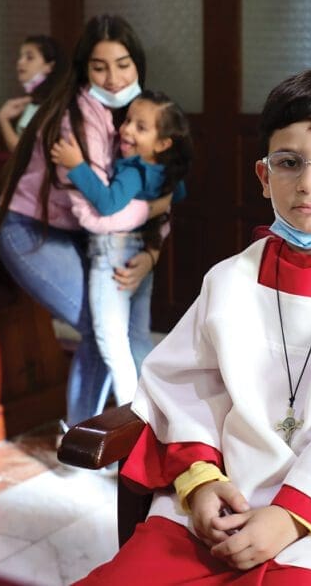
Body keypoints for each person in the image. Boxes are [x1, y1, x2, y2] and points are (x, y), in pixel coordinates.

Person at [79, 69, 311, 585]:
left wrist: (289, 516)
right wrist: (201, 481)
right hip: (215, 507)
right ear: (263, 175)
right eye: (289, 163)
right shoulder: (230, 280)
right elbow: (184, 388)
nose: (309, 183)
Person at [0, 15, 170, 427]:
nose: (112, 78)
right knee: (98, 323)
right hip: (29, 228)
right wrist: (153, 211)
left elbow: (161, 184)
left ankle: (134, 431)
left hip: (94, 236)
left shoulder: (142, 113)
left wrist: (153, 251)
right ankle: (81, 437)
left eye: (123, 64)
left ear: (138, 65)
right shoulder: (74, 120)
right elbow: (98, 211)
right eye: (99, 67)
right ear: (83, 69)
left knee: (125, 330)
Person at [49, 89, 193, 406]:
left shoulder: (133, 169)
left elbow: (107, 203)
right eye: (128, 120)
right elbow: (177, 195)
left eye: (140, 128)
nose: (126, 130)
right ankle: (153, 408)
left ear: (162, 144)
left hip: (115, 255)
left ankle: (131, 416)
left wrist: (76, 166)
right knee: (138, 337)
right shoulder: (164, 170)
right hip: (143, 251)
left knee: (111, 341)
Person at [0, 35, 61, 151]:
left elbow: (21, 152)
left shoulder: (47, 103)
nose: (20, 62)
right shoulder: (35, 100)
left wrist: (3, 119)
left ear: (49, 66)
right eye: (20, 57)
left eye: (29, 57)